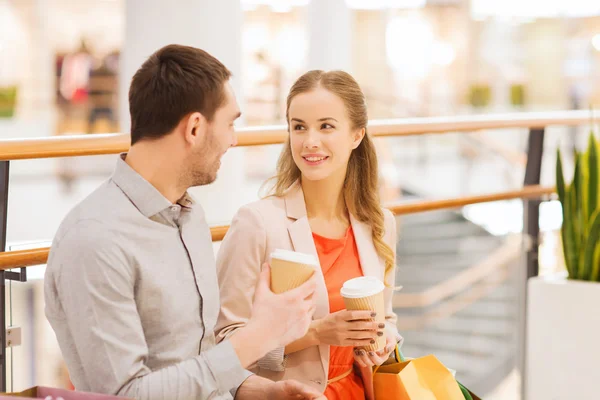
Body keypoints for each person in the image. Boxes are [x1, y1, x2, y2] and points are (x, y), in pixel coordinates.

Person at [44, 44, 326, 400]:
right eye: (230, 124)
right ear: (194, 128)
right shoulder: (94, 240)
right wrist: (257, 337)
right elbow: (125, 395)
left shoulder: (190, 217)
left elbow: (198, 358)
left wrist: (256, 390)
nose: (234, 140)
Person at [215, 70, 402, 399]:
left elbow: (385, 316)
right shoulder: (256, 224)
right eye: (298, 126)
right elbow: (223, 345)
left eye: (326, 126)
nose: (309, 141)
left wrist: (382, 343)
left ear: (357, 135)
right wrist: (316, 333)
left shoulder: (379, 223)